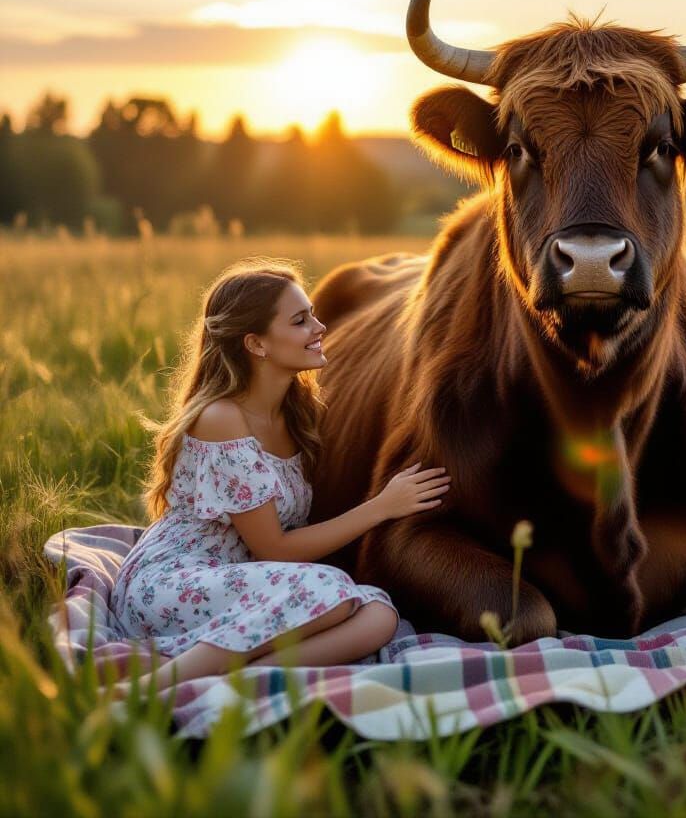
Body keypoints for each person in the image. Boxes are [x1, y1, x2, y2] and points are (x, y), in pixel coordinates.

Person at [110, 259, 449, 692]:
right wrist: (382, 507)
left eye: (312, 315)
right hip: (177, 580)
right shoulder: (222, 418)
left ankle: (238, 675)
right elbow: (274, 548)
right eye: (300, 320)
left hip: (249, 583)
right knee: (326, 591)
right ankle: (152, 688)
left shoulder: (295, 415)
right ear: (257, 344)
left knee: (379, 616)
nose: (320, 327)